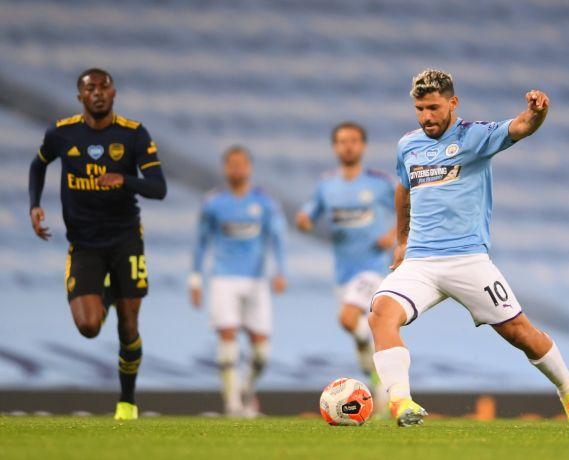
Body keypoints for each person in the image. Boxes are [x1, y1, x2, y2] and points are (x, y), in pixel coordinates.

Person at [369, 69, 569, 428]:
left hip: (468, 260)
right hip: (421, 262)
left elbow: (521, 126)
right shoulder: (407, 145)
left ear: (453, 103)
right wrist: (401, 241)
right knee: (381, 311)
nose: (426, 116)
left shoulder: (475, 137)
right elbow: (403, 188)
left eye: (433, 107)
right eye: (419, 108)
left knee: (521, 334)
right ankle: (401, 402)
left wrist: (538, 114)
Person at [28, 68, 167, 420]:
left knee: (129, 326)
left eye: (104, 86)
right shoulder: (61, 133)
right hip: (85, 244)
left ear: (114, 93)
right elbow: (38, 164)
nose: (98, 93)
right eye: (90, 88)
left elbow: (158, 188)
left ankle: (127, 401)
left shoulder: (134, 135)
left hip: (125, 241)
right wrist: (34, 204)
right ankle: (104, 294)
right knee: (89, 327)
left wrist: (124, 179)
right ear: (81, 97)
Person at [296, 122, 395, 413]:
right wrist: (303, 219)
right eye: (342, 141)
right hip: (343, 271)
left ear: (362, 146)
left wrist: (393, 236)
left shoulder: (379, 182)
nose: (348, 145)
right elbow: (309, 213)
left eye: (353, 140)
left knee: (347, 318)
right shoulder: (327, 185)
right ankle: (380, 382)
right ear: (335, 147)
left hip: (373, 267)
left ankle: (383, 374)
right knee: (359, 333)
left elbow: (408, 206)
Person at [189, 146, 287, 417]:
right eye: (231, 164)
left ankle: (246, 389)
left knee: (261, 353)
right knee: (228, 337)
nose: (236, 168)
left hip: (257, 280)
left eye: (241, 163)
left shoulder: (265, 201)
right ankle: (232, 403)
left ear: (250, 168)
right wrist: (195, 280)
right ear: (224, 168)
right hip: (223, 278)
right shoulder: (213, 202)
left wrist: (280, 271)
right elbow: (200, 242)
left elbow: (277, 238)